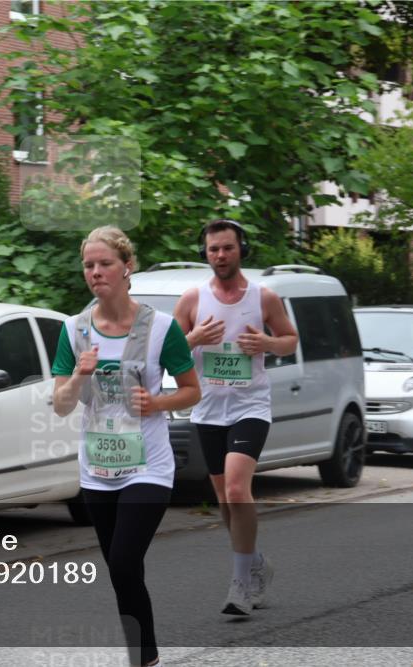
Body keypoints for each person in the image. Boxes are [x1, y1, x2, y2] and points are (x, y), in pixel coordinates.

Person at [52, 226, 200, 667]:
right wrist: (79, 375)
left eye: (105, 264)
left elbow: (192, 391)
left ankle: (140, 657)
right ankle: (147, 654)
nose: (95, 272)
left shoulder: (162, 329)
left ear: (127, 267)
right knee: (122, 573)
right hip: (97, 468)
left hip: (148, 468)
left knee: (122, 560)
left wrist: (158, 402)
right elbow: (61, 405)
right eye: (89, 265)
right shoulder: (74, 329)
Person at [173, 219, 298, 616]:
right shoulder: (192, 300)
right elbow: (168, 353)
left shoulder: (264, 298)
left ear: (241, 249)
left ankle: (241, 584)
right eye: (213, 250)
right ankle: (256, 563)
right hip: (208, 409)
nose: (220, 256)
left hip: (250, 408)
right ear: (204, 254)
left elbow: (291, 339)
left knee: (237, 490)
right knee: (224, 499)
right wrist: (192, 340)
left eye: (227, 248)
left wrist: (267, 343)